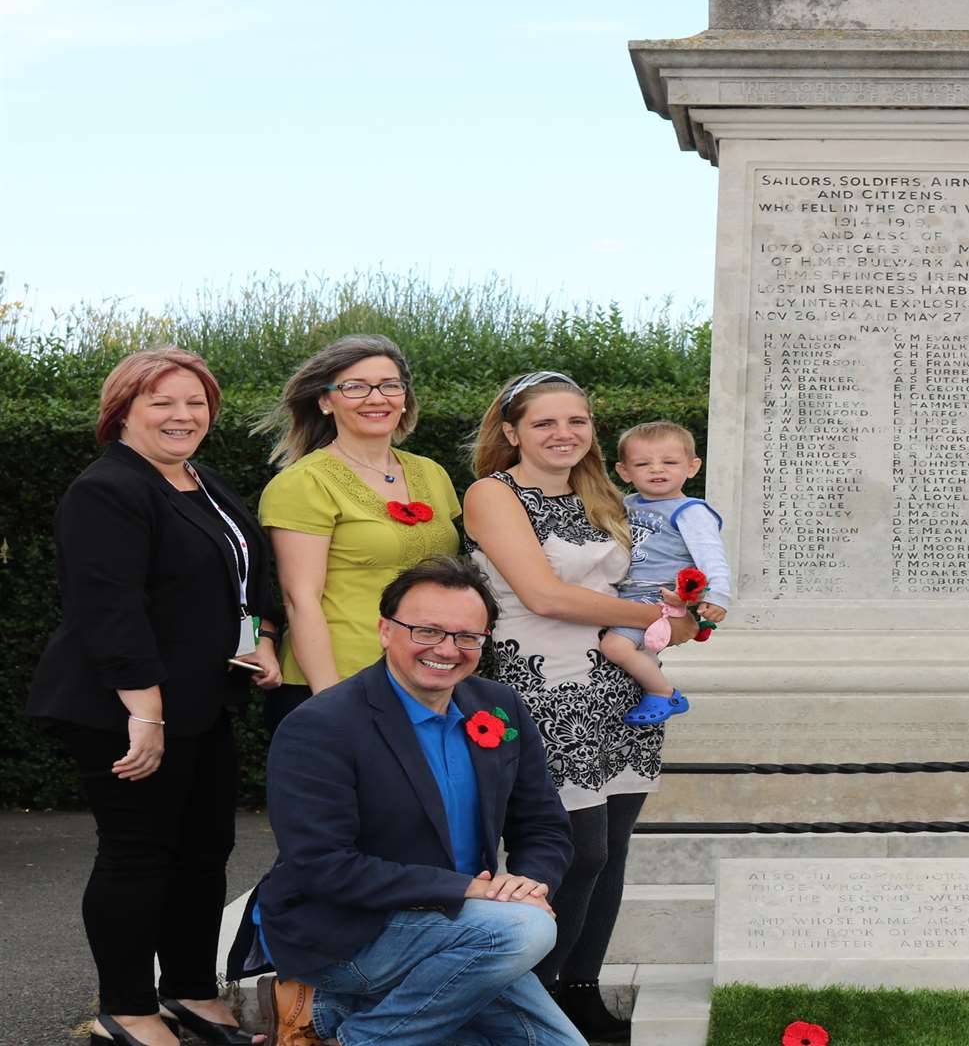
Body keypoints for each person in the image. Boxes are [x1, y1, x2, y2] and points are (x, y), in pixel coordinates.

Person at [31, 348, 280, 1046]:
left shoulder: (201, 480)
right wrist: (145, 713)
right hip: (126, 705)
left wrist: (259, 635)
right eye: (162, 402)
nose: (183, 415)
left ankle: (191, 992)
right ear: (124, 411)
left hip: (203, 700)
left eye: (195, 402)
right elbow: (109, 610)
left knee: (204, 852)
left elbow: (241, 575)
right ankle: (128, 1010)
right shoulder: (107, 489)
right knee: (137, 854)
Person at [230, 556, 582, 1046]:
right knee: (523, 932)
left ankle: (334, 1019)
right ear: (385, 630)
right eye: (427, 631)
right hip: (342, 928)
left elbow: (543, 825)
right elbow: (322, 865)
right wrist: (468, 891)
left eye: (467, 636)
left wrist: (528, 884)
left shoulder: (500, 708)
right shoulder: (321, 725)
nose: (447, 649)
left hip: (467, 932)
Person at [463, 372, 696, 1041]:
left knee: (614, 846)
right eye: (544, 423)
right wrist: (654, 614)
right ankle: (526, 1004)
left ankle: (582, 991)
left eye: (578, 421)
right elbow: (545, 596)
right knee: (576, 849)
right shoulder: (493, 494)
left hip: (618, 685)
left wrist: (687, 611)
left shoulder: (604, 495)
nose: (564, 434)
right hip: (541, 686)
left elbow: (651, 577)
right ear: (511, 432)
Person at [253, 334, 461, 731]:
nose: (376, 398)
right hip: (340, 682)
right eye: (355, 387)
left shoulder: (432, 473)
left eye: (389, 385)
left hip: (427, 678)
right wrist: (331, 702)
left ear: (404, 397)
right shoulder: (303, 483)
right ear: (326, 400)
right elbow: (301, 600)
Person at [601, 419, 731, 726]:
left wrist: (718, 596)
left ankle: (663, 692)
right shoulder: (625, 504)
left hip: (658, 596)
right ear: (624, 472)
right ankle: (648, 690)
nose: (656, 469)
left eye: (669, 462)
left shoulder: (690, 512)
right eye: (643, 463)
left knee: (614, 646)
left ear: (692, 467)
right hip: (626, 593)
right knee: (635, 651)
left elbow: (712, 556)